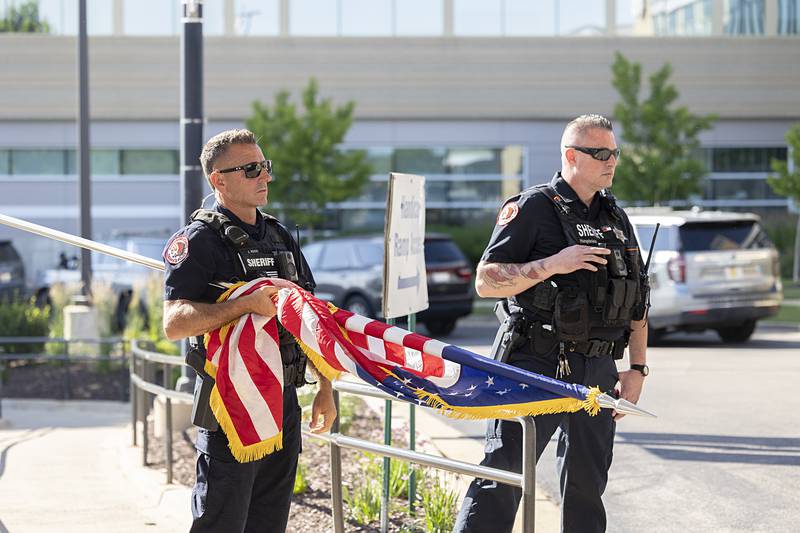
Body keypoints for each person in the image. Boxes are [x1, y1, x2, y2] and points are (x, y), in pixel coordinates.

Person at [453, 114, 650, 533]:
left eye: (615, 152)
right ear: (570, 155)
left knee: (587, 484)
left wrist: (637, 368)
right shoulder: (533, 208)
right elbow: (486, 282)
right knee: (503, 474)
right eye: (600, 153)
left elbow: (637, 297)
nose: (611, 161)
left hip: (597, 368)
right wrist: (553, 264)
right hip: (535, 359)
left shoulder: (615, 216)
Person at [161, 128, 337, 533]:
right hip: (231, 404)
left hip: (284, 402)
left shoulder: (279, 237)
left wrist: (326, 388)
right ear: (218, 180)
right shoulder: (199, 241)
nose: (265, 177)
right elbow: (174, 322)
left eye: (265, 167)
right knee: (221, 521)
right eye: (252, 169)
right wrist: (243, 306)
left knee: (269, 521)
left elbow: (313, 317)